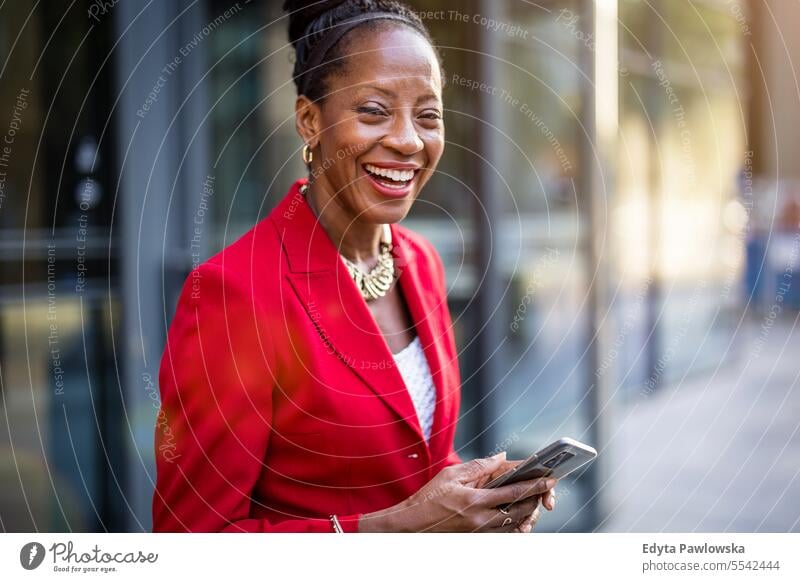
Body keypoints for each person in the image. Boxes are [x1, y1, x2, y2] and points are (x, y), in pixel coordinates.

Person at [152, 0, 556, 533]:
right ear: (309, 121)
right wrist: (390, 532)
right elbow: (191, 542)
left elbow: (415, 462)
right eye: (374, 110)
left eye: (428, 115)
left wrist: (477, 501)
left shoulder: (419, 261)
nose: (409, 140)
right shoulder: (235, 294)